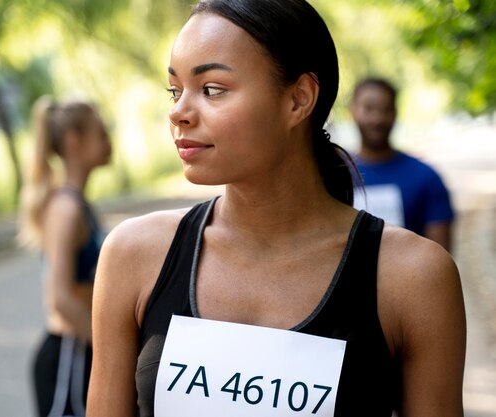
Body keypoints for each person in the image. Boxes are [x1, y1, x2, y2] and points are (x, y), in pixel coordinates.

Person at [87, 1, 466, 416]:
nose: (178, 112)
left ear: (298, 99)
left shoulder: (413, 277)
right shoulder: (133, 254)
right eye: (175, 90)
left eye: (212, 89)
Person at [18, 96, 111, 417]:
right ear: (74, 141)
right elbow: (59, 298)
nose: (110, 140)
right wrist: (109, 351)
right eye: (102, 132)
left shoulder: (77, 205)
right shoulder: (66, 209)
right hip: (68, 358)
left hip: (78, 352)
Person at [350, 77, 455, 251]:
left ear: (395, 113)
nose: (377, 118)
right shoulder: (331, 175)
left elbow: (442, 255)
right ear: (353, 110)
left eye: (386, 109)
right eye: (368, 108)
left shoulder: (426, 178)